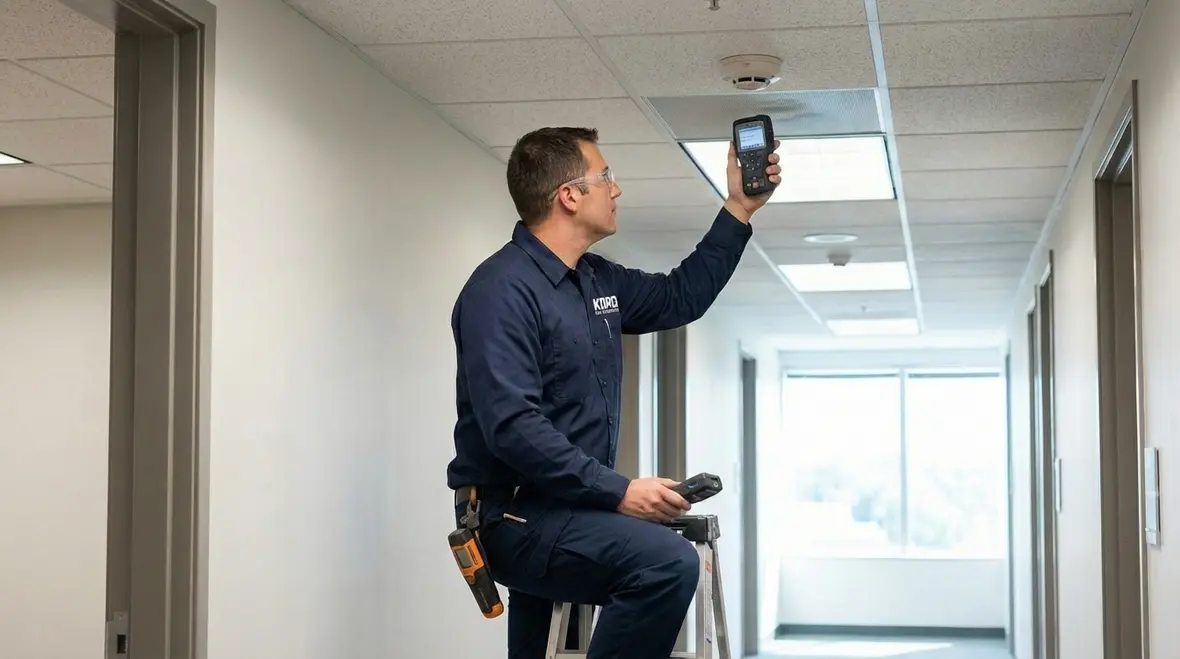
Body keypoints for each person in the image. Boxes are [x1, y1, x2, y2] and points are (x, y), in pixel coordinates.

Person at [447, 126, 781, 658]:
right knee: (666, 563)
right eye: (605, 176)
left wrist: (739, 207)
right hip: (512, 518)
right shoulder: (500, 291)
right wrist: (621, 491)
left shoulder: (595, 280)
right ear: (570, 195)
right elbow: (512, 427)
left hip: (571, 507)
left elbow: (679, 297)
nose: (616, 189)